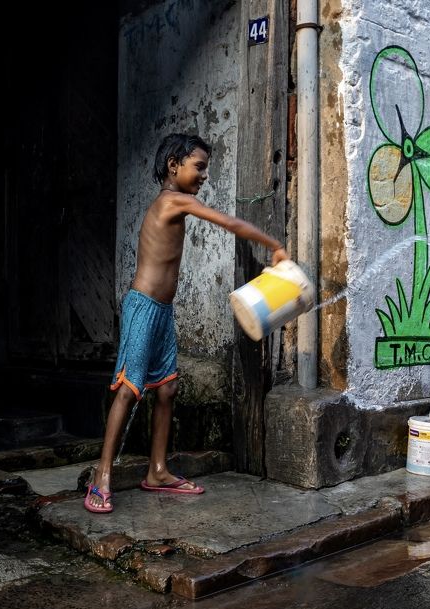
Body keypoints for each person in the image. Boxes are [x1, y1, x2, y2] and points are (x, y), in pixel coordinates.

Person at [85, 133, 289, 513]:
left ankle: (158, 470)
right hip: (143, 307)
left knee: (168, 389)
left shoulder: (176, 200)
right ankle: (102, 475)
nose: (204, 175)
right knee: (129, 390)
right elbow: (228, 222)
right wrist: (274, 246)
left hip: (162, 311)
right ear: (173, 165)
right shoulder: (171, 200)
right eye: (199, 166)